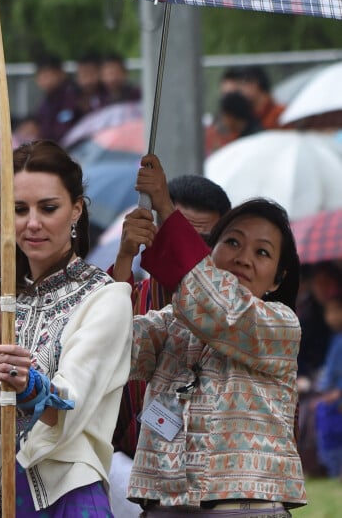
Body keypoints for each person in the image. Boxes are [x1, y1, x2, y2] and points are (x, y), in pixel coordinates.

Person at [0, 139, 133, 516]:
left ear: (76, 210)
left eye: (48, 208)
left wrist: (28, 382)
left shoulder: (105, 297)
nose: (32, 223)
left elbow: (70, 405)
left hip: (65, 496)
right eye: (19, 210)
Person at [127, 154, 306, 514]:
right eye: (233, 242)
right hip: (164, 506)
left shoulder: (282, 325)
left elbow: (222, 311)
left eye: (263, 252)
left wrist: (164, 205)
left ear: (278, 279)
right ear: (210, 252)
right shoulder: (171, 321)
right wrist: (123, 258)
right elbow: (113, 348)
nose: (244, 258)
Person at [108, 173, 231, 517]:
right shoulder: (126, 295)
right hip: (124, 481)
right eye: (172, 234)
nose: (184, 249)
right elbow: (102, 338)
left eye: (200, 241)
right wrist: (124, 256)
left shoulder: (234, 314)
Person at [312, 288, 342, 478]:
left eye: (335, 311)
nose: (330, 317)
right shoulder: (335, 339)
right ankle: (333, 471)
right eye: (327, 312)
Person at [34, 54, 82, 143]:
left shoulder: (74, 96)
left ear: (61, 74)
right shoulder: (45, 103)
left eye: (48, 75)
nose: (46, 81)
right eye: (42, 76)